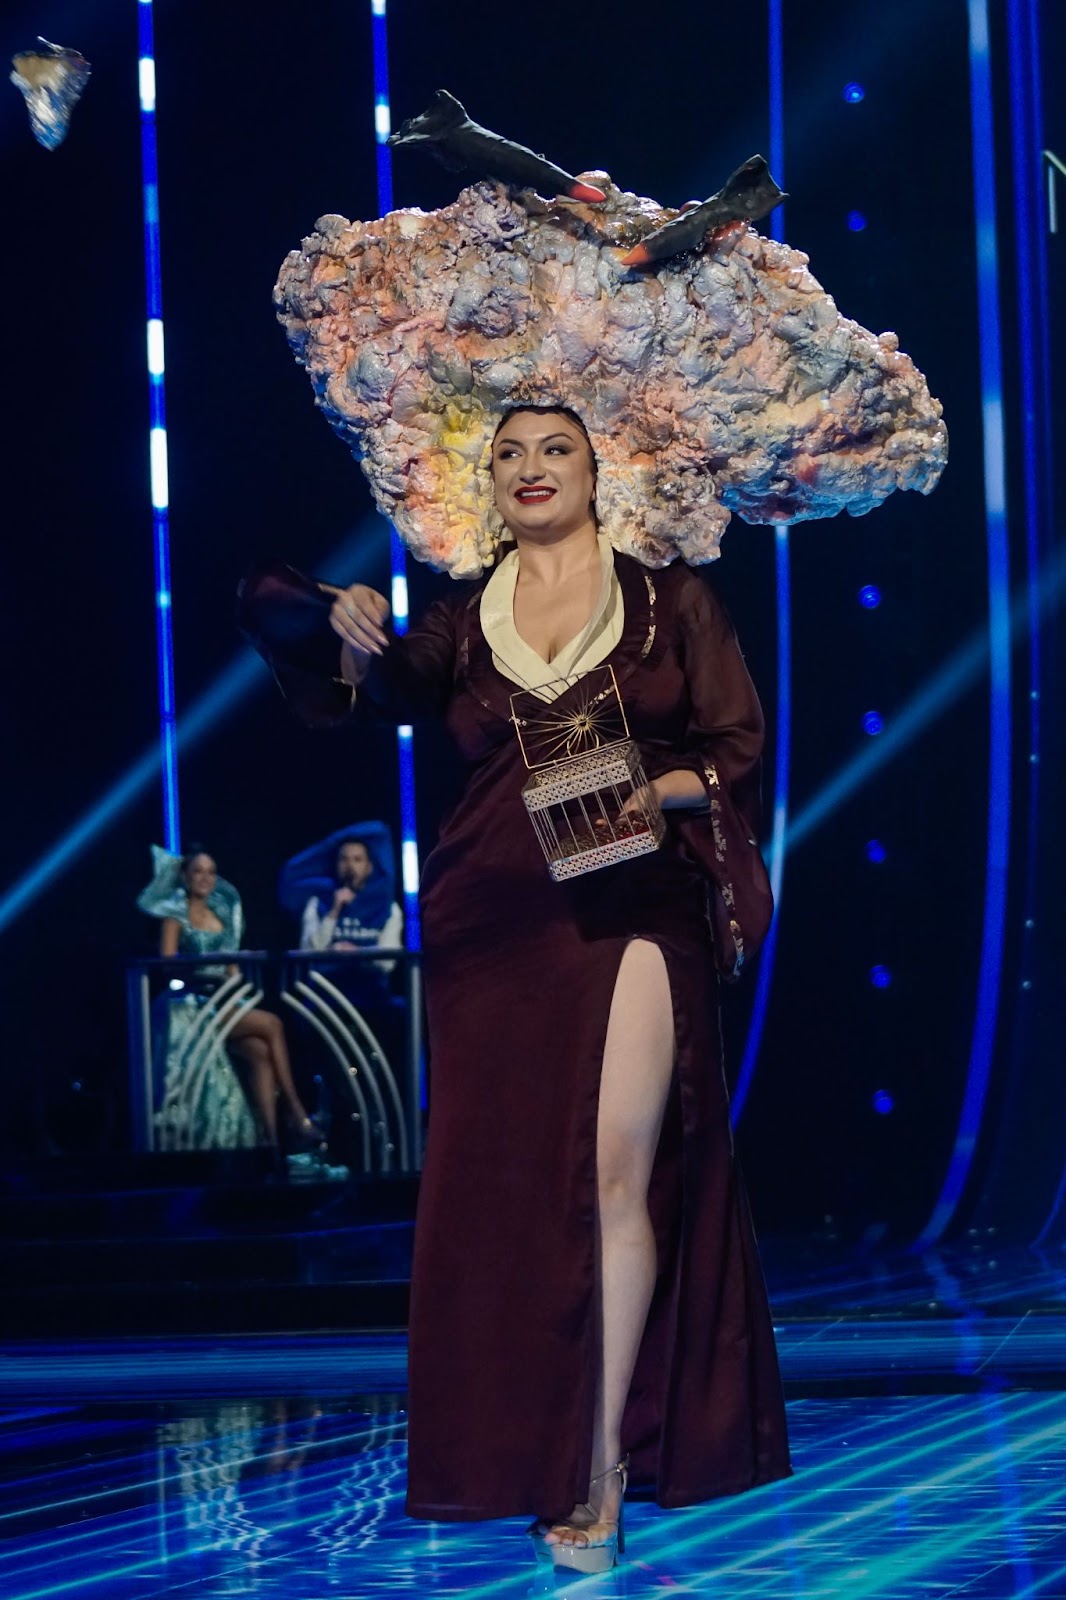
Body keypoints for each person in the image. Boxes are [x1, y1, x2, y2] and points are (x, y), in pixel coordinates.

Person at [239, 404, 791, 1570]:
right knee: (510, 1194)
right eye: (508, 454)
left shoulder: (668, 598)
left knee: (615, 1170)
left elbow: (737, 746)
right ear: (483, 482)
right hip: (492, 916)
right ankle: (531, 1437)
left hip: (633, 898)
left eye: (554, 450)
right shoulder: (460, 621)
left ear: (599, 471)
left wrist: (653, 795)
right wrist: (345, 627)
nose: (530, 468)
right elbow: (384, 693)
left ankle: (598, 1465)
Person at [137, 846, 318, 1150]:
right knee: (272, 1024)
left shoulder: (221, 915)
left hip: (224, 1001)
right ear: (185, 876)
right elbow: (167, 963)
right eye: (198, 871)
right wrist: (201, 971)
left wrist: (233, 981)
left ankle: (271, 1144)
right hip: (195, 1004)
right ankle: (297, 1111)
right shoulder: (175, 916)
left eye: (211, 872)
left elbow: (232, 968)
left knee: (260, 1052)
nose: (205, 878)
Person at [278, 825, 403, 959]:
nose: (350, 866)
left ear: (369, 867)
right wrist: (333, 913)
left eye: (357, 860)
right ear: (336, 864)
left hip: (367, 978)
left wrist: (358, 953)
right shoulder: (317, 903)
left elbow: (387, 963)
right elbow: (308, 951)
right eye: (344, 859)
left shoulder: (388, 908)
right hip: (323, 978)